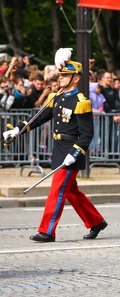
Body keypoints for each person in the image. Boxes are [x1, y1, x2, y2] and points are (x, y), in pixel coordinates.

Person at [2, 48, 107, 242]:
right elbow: (39, 118)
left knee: (57, 190)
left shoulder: (80, 101)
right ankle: (96, 221)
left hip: (72, 151)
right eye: (60, 75)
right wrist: (18, 129)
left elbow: (86, 134)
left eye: (65, 75)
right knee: (72, 191)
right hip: (59, 149)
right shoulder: (57, 98)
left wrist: (75, 153)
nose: (60, 78)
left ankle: (47, 230)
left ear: (76, 78)